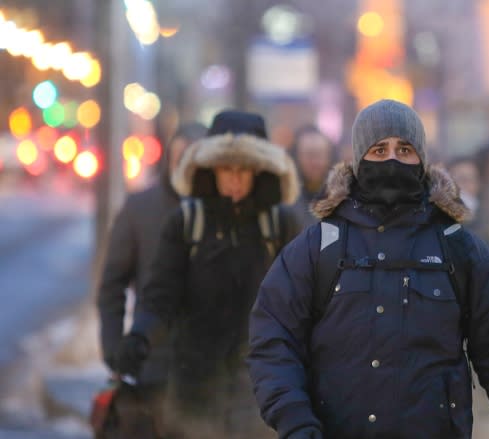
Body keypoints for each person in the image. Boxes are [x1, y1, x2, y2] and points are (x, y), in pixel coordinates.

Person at [246, 99, 489, 439]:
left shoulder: (459, 249)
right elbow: (273, 340)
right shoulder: (318, 248)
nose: (391, 159)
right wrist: (296, 422)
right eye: (378, 149)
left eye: (404, 149)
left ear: (421, 158)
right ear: (359, 160)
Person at [112, 110, 302, 438]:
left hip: (262, 388)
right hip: (194, 385)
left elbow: (304, 302)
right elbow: (160, 294)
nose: (235, 179)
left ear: (261, 171)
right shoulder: (187, 223)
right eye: (226, 168)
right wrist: (140, 337)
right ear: (209, 169)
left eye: (244, 169)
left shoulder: (281, 225)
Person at [96, 122, 207, 438]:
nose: (186, 168)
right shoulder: (140, 208)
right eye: (180, 159)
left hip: (207, 369)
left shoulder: (223, 214)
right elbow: (112, 284)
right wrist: (113, 348)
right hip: (152, 363)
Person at [289, 125, 337, 227]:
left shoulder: (343, 199)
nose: (315, 163)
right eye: (309, 155)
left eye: (320, 154)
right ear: (296, 157)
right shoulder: (286, 200)